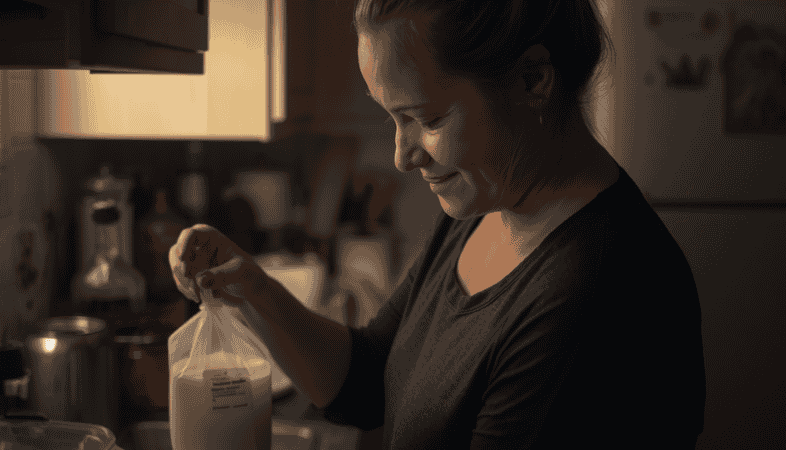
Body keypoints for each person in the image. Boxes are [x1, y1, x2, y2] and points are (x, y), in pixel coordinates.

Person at [169, 0, 707, 448]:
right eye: (392, 117)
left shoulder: (598, 292)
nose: (403, 156)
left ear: (533, 80)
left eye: (427, 119)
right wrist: (253, 291)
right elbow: (368, 379)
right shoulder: (488, 207)